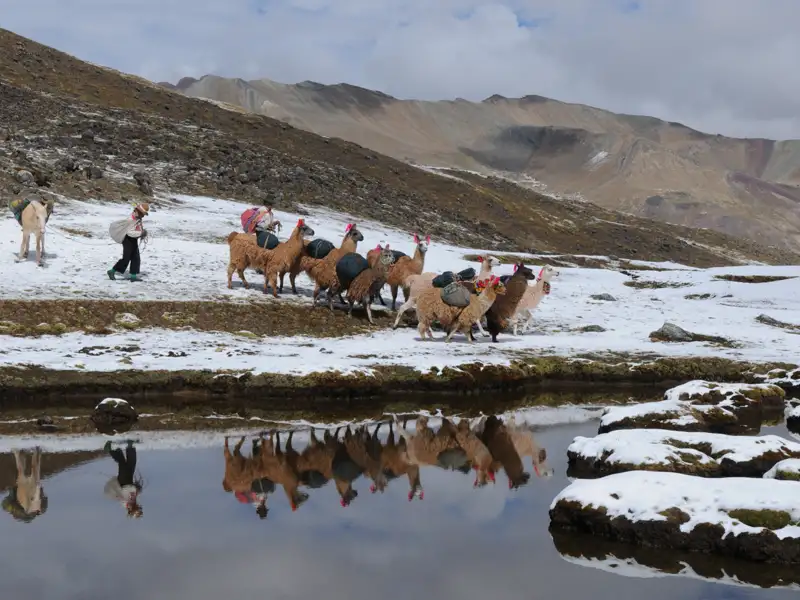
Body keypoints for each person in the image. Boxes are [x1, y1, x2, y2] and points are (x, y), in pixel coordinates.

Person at [107, 203, 149, 282]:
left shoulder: (137, 219)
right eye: (142, 214)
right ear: (137, 211)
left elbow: (136, 230)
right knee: (126, 258)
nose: (142, 216)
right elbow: (129, 232)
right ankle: (112, 271)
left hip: (133, 239)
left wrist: (142, 233)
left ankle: (133, 276)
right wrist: (141, 233)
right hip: (127, 240)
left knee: (136, 257)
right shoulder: (131, 220)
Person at [103, 440, 143, 518]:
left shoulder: (125, 503)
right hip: (129, 482)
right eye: (139, 508)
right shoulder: (134, 501)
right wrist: (137, 489)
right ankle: (129, 446)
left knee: (123, 464)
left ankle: (110, 450)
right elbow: (133, 492)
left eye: (137, 508)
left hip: (123, 482)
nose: (138, 506)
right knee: (131, 463)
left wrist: (130, 505)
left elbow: (122, 494)